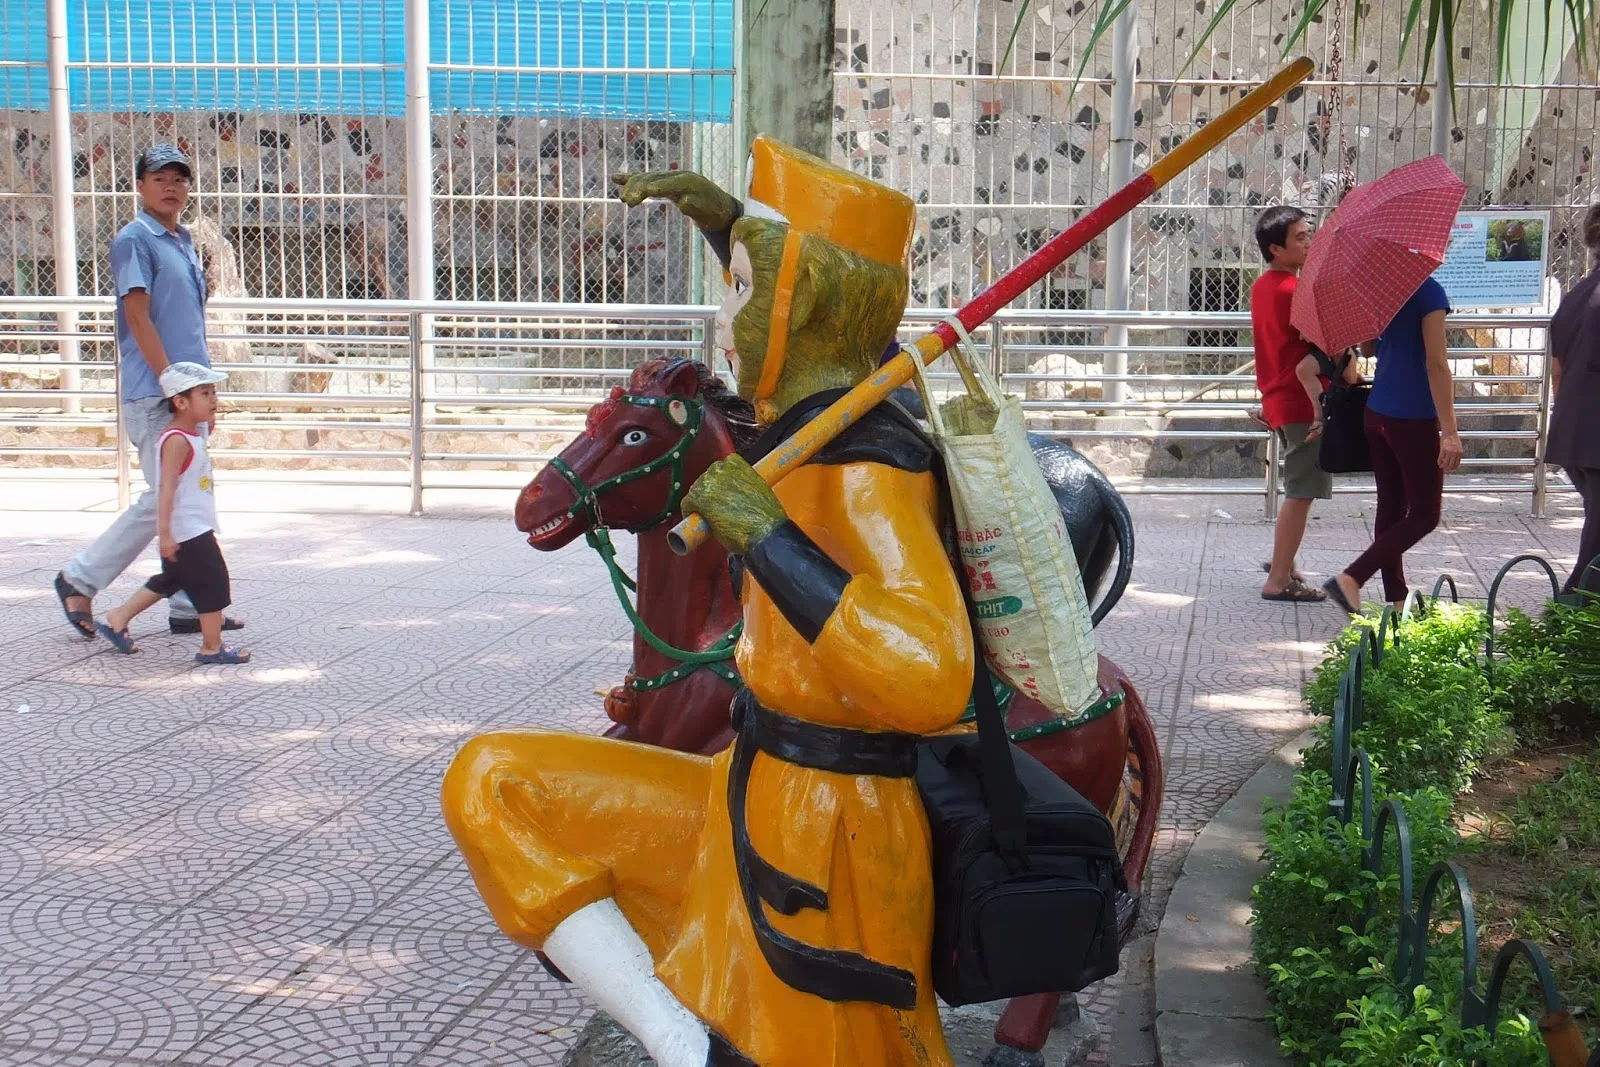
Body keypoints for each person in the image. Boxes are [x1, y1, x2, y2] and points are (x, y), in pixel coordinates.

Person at [443, 140, 973, 1067]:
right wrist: (725, 215)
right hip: (755, 789)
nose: (726, 322)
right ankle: (685, 1045)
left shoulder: (866, 466)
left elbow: (931, 676)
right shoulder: (808, 432)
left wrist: (767, 538)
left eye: (743, 290)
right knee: (495, 782)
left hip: (830, 828)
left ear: (798, 302)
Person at [53, 144, 244, 640]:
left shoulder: (182, 241)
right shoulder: (134, 240)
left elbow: (189, 326)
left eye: (180, 177)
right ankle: (81, 577)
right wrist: (174, 385)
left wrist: (202, 394)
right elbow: (137, 316)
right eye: (160, 177)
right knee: (164, 498)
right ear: (140, 185)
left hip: (184, 392)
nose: (171, 186)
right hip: (157, 391)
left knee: (188, 496)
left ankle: (189, 603)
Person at [1323, 273, 1463, 614]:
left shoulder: (1383, 288)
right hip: (1411, 416)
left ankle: (1397, 600)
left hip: (1377, 412)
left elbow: (1368, 348)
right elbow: (1436, 364)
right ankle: (1352, 578)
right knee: (1425, 514)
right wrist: (1450, 432)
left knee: (1390, 508)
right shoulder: (1429, 292)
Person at [95, 363, 249, 664]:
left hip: (191, 526)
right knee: (212, 581)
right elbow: (165, 489)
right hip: (187, 530)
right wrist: (165, 533)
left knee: (173, 578)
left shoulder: (189, 435)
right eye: (205, 393)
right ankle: (211, 646)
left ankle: (118, 617)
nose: (213, 399)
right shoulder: (176, 439)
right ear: (181, 402)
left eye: (213, 392)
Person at [1251, 206, 1340, 602]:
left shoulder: (1264, 286)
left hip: (1279, 396)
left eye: (1309, 234)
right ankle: (1279, 580)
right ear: (1275, 248)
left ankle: (1284, 564)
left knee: (1298, 489)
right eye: (1300, 237)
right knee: (1301, 491)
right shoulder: (1294, 291)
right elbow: (1325, 344)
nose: (1308, 242)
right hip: (1304, 402)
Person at [1545, 203, 1600, 597]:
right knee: (1595, 552)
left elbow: (1558, 373)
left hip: (1573, 435)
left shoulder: (1576, 296)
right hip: (1594, 441)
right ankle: (1565, 622)